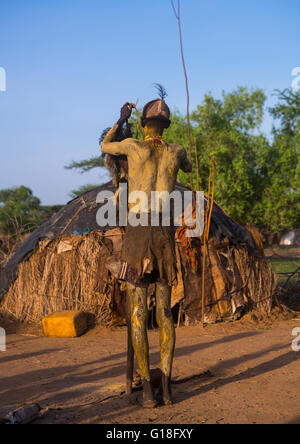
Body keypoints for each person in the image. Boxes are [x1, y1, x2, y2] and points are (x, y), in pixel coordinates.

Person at [101, 98, 192, 408]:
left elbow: (105, 145)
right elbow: (188, 167)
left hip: (139, 233)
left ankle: (148, 394)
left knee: (138, 315)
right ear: (167, 124)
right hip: (164, 234)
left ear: (143, 124)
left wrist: (120, 117)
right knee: (165, 314)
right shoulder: (176, 151)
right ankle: (166, 389)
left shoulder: (132, 146)